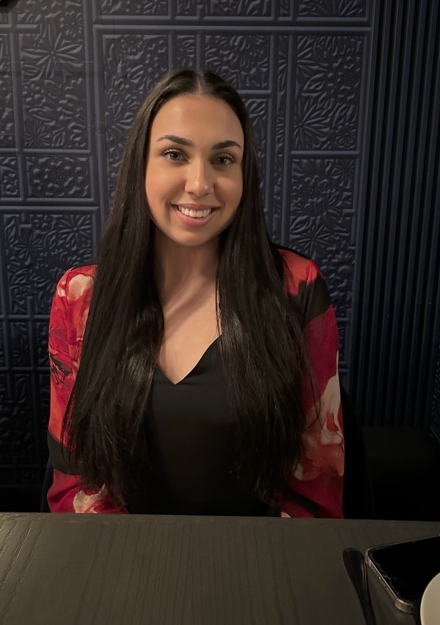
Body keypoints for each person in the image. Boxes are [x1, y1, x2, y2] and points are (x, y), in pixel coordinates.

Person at [46, 68, 344, 517]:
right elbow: (76, 483)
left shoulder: (296, 289)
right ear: (141, 165)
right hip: (121, 552)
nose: (200, 183)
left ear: (245, 175)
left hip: (260, 553)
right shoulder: (79, 297)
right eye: (174, 154)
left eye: (223, 159)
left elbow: (315, 491)